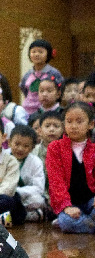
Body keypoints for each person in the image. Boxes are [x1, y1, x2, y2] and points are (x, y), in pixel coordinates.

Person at [46, 102, 95, 233]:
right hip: (69, 202)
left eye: (79, 121)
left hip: (91, 201)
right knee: (67, 222)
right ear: (64, 124)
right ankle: (85, 224)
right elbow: (56, 181)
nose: (73, 126)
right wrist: (66, 206)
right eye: (69, 121)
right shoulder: (55, 148)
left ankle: (83, 223)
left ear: (91, 124)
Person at [9, 125, 46, 222]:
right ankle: (26, 216)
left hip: (24, 198)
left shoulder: (36, 162)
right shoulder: (2, 157)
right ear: (9, 142)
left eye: (26, 146)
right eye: (17, 144)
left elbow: (39, 188)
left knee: (38, 200)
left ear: (33, 147)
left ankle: (12, 216)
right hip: (5, 195)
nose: (20, 149)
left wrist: (18, 192)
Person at [20, 39, 64, 115]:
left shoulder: (54, 73)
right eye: (33, 52)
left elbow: (61, 88)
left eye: (40, 52)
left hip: (47, 111)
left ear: (48, 54)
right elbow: (24, 89)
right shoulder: (28, 74)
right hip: (27, 111)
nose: (36, 54)